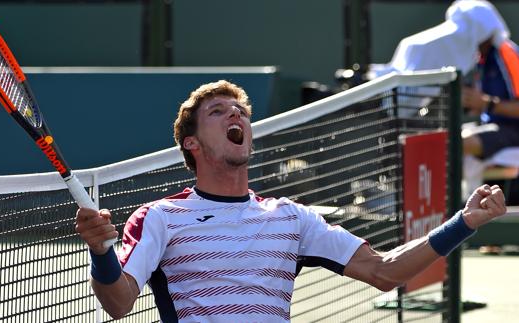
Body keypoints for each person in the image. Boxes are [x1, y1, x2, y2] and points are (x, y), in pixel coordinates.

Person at [75, 80, 506, 322]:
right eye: (218, 111)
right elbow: (119, 302)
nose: (235, 115)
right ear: (192, 144)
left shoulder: (290, 218)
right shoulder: (160, 217)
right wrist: (100, 252)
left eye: (240, 111)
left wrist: (464, 222)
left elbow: (385, 271)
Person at [368, 0, 519, 202]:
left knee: (452, 143)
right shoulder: (480, 58)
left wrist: (486, 103)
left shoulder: (507, 54)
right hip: (492, 126)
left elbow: (497, 104)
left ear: (482, 30)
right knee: (437, 138)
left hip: (513, 132)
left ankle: (433, 201)